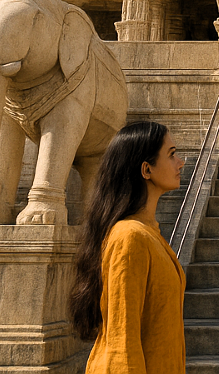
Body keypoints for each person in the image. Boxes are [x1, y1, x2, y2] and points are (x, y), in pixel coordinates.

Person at [70, 121, 187, 374]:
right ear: (147, 169)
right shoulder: (129, 237)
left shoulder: (149, 233)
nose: (180, 163)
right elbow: (122, 340)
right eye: (171, 154)